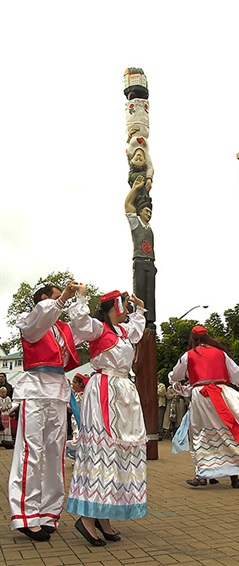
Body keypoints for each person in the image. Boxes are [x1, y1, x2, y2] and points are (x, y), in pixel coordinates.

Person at [66, 285, 147, 547]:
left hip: (122, 392)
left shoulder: (123, 332)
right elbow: (78, 321)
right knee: (101, 450)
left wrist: (140, 307)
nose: (126, 308)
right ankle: (87, 517)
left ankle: (104, 515)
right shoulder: (99, 329)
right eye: (123, 303)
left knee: (120, 452)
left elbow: (137, 327)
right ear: (115, 307)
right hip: (105, 391)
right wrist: (80, 295)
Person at [168, 326, 239, 489]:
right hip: (223, 393)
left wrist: (174, 380)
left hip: (202, 396)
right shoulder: (220, 353)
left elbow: (175, 375)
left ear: (192, 339)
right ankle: (234, 477)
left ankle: (203, 474)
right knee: (228, 431)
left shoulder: (189, 355)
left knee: (203, 434)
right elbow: (236, 373)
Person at [8, 281, 81, 541]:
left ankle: (49, 512)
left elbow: (84, 329)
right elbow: (41, 320)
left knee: (54, 453)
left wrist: (80, 301)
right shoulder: (30, 321)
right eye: (57, 297)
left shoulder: (63, 328)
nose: (62, 300)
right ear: (43, 299)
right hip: (36, 390)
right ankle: (27, 515)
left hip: (58, 391)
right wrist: (62, 301)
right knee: (32, 452)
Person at [125, 176, 156, 329]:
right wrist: (135, 189)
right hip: (139, 260)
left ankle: (150, 318)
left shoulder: (149, 228)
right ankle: (140, 316)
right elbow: (127, 205)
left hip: (150, 261)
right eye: (146, 211)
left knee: (151, 291)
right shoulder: (136, 222)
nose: (149, 214)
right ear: (140, 212)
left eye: (150, 211)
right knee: (141, 290)